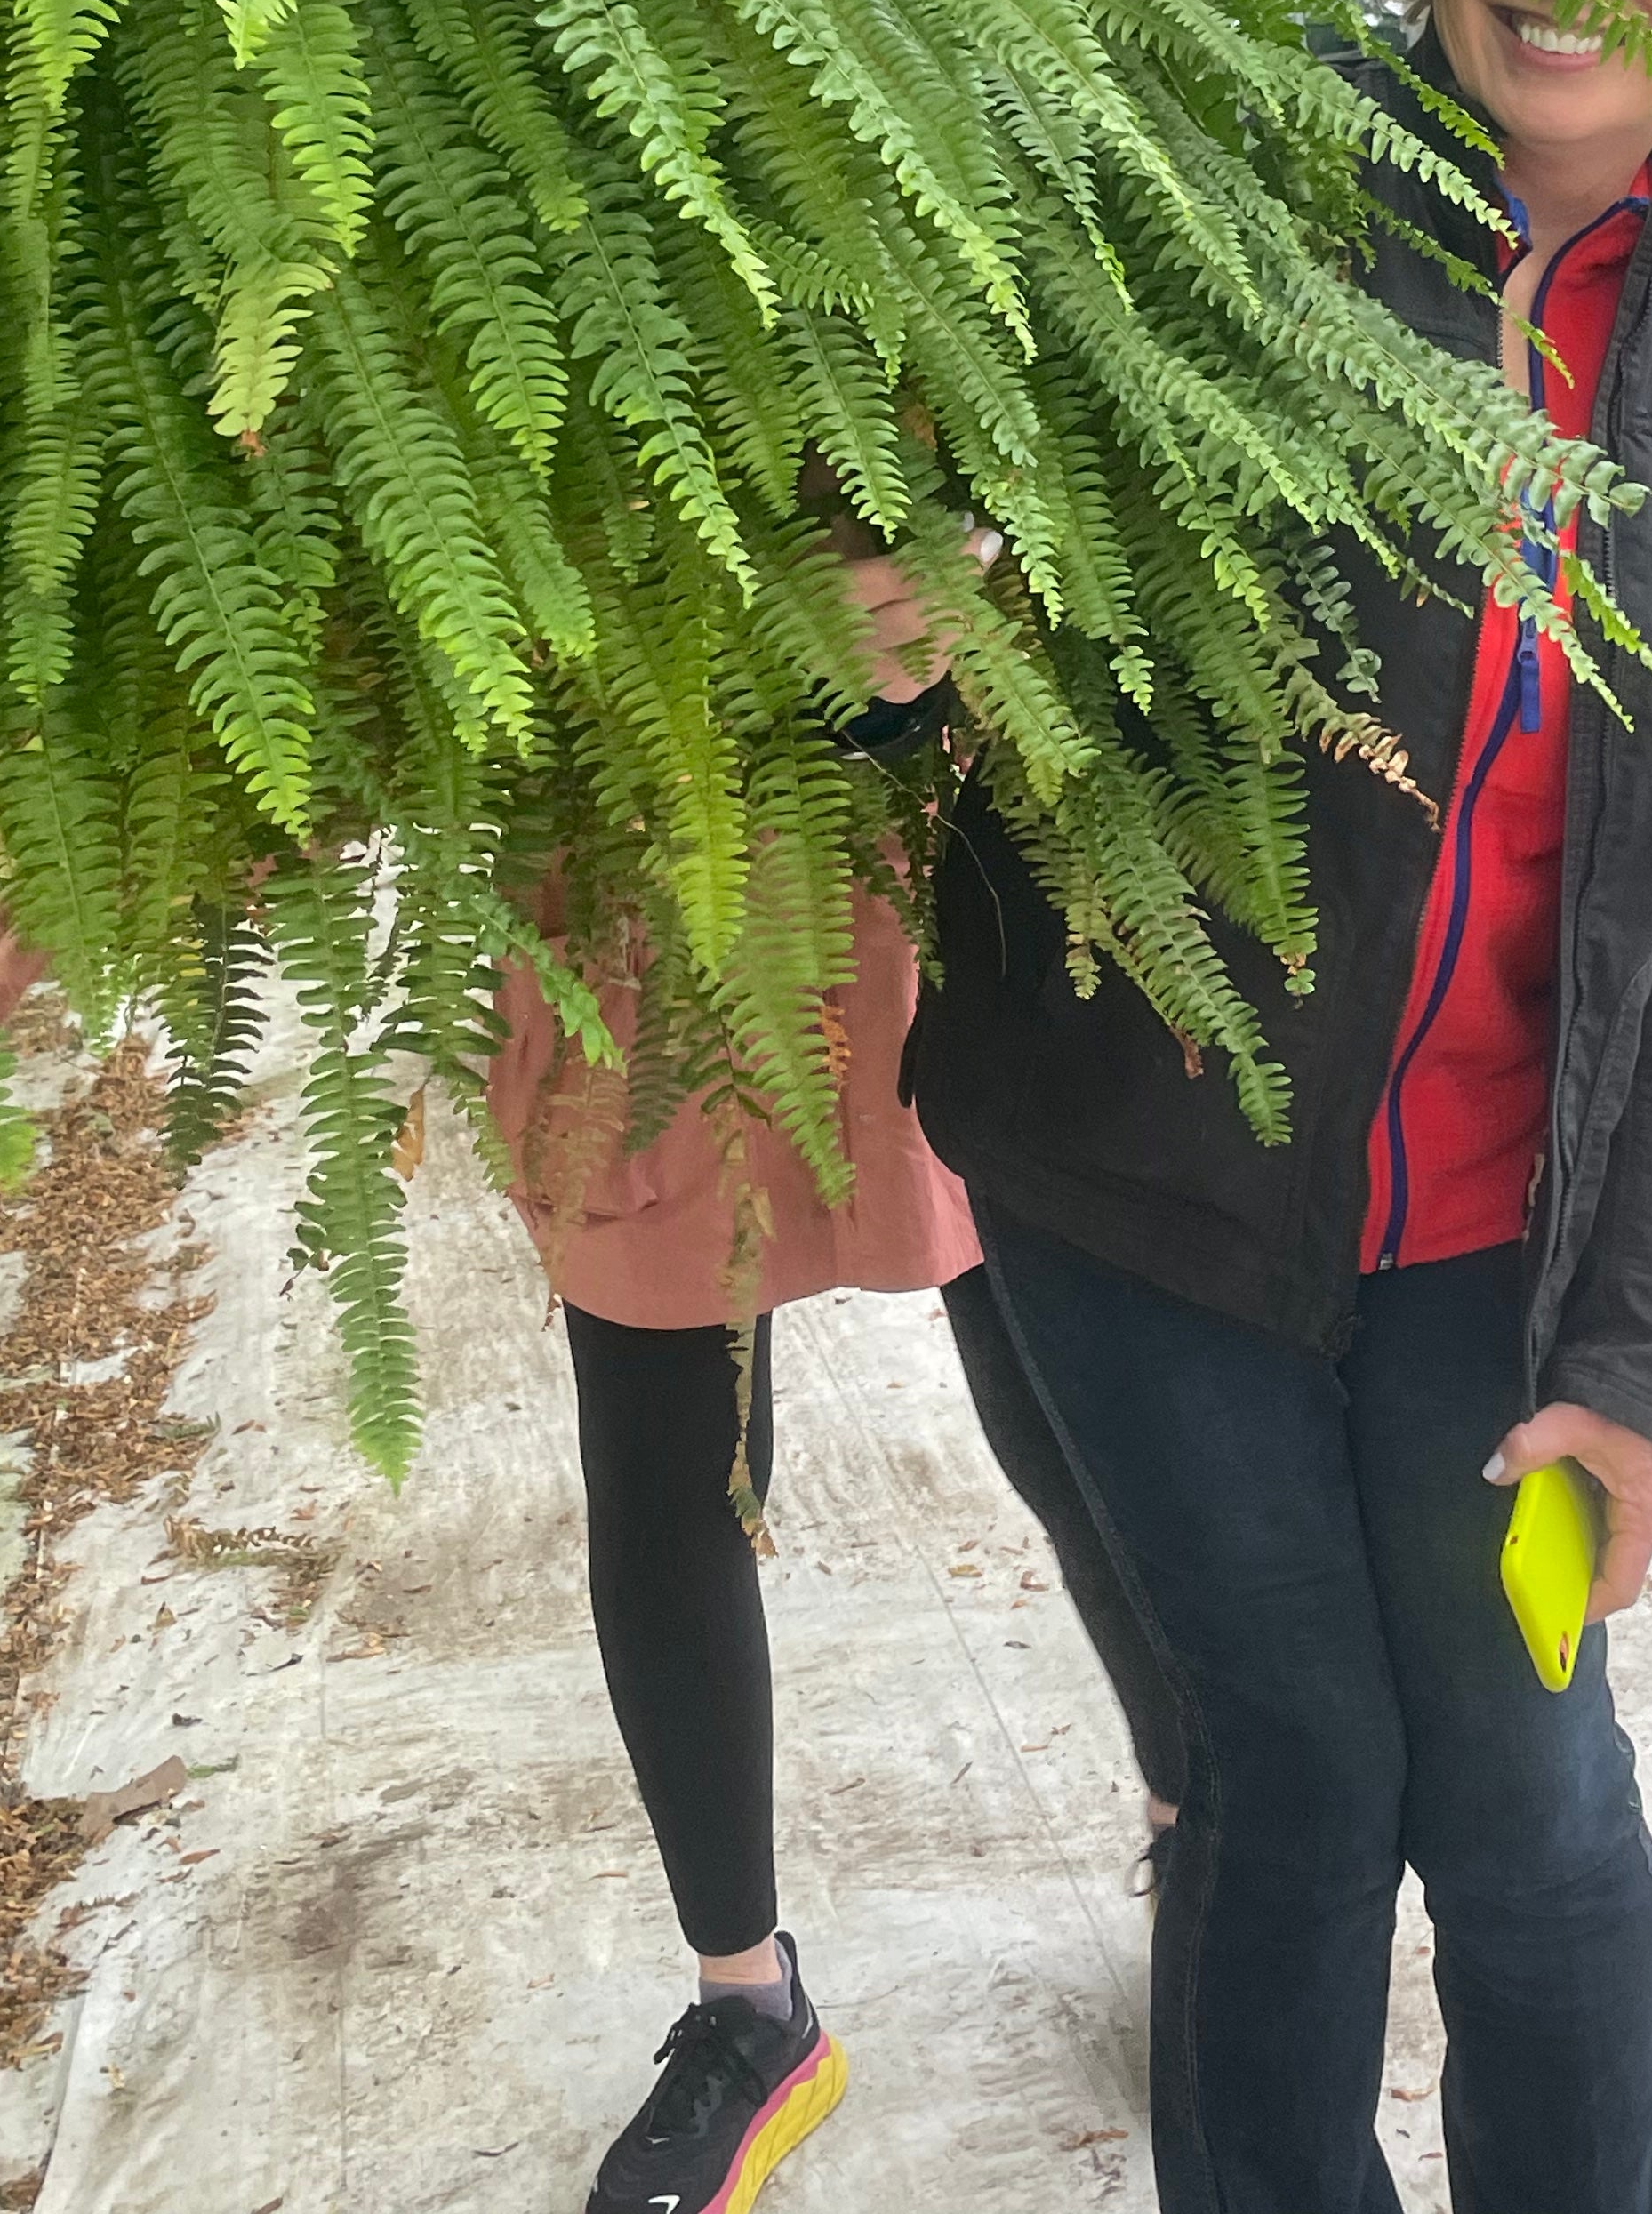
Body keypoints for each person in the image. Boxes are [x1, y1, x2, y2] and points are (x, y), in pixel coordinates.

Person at [907, 0, 1652, 2214]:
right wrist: (896, 628)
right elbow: (963, 571)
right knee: (1294, 1776)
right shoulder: (1214, 182)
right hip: (1146, 1188)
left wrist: (1644, 1366)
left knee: (1539, 1803)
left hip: (1513, 1248)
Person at [488, 612, 1188, 2214]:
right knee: (670, 1477)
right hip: (634, 889)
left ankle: (1199, 1846)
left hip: (942, 879)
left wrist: (983, 582)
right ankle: (752, 2012)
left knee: (1073, 1413)